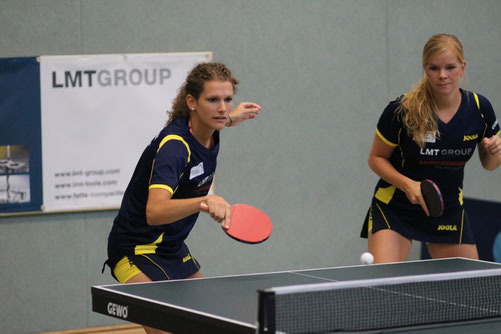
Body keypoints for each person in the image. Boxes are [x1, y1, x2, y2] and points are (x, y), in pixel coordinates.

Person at [104, 62, 261, 334]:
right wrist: (205, 201)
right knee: (169, 328)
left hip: (171, 247)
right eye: (212, 100)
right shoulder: (174, 148)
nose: (222, 108)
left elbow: (218, 121)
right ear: (192, 101)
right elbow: (155, 211)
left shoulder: (207, 131)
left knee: (205, 324)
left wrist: (233, 119)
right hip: (134, 250)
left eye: (227, 100)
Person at [361, 34, 501, 264]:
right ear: (425, 68)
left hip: (447, 209)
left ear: (462, 68)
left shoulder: (479, 108)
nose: (442, 75)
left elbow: (489, 165)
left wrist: (496, 152)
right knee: (383, 289)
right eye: (434, 68)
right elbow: (375, 158)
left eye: (450, 67)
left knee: (468, 292)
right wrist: (408, 185)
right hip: (397, 208)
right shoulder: (401, 110)